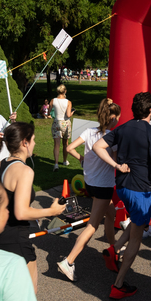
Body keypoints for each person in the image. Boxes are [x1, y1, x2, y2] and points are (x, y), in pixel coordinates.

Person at [93, 92, 151, 300]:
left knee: (136, 222)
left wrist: (117, 165)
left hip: (123, 186)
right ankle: (118, 284)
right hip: (141, 190)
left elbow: (96, 146)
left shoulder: (122, 128)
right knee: (136, 238)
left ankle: (114, 249)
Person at [58, 98, 121, 280]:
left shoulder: (88, 131)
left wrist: (81, 158)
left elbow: (69, 148)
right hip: (103, 186)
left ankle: (113, 246)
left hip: (90, 183)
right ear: (113, 117)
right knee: (92, 225)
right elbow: (116, 161)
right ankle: (68, 261)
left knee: (110, 214)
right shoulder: (113, 138)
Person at [0, 122, 67, 278]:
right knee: (28, 294)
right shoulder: (24, 170)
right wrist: (51, 211)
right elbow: (21, 213)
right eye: (33, 140)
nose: (35, 143)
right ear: (25, 143)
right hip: (15, 238)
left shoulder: (1, 165)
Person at [48, 85, 74, 169]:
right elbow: (68, 114)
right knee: (65, 143)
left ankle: (56, 164)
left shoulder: (53, 100)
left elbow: (48, 113)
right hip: (65, 123)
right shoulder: (68, 102)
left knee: (56, 145)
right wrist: (73, 112)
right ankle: (64, 161)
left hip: (56, 122)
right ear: (65, 91)